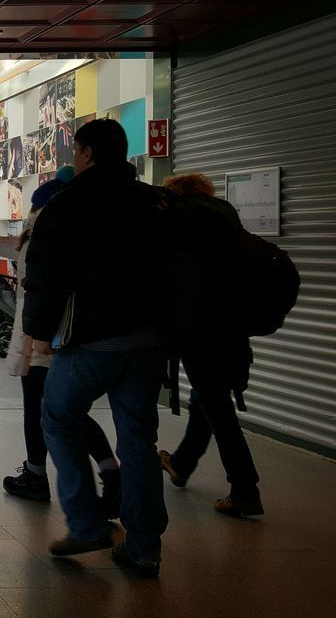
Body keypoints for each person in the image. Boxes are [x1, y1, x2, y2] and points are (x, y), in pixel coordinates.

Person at [23, 118, 169, 578]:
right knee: (140, 441)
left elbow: (47, 276)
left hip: (92, 341)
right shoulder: (154, 202)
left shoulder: (69, 206)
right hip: (148, 340)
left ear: (85, 154)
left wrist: (38, 332)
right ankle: (144, 547)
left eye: (76, 151)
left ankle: (86, 523)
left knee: (58, 416)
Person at [0, 166, 121, 509]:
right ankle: (104, 473)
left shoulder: (50, 228)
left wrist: (41, 339)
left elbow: (32, 266)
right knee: (61, 408)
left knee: (46, 408)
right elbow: (18, 250)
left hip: (45, 334)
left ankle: (46, 479)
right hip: (54, 331)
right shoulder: (71, 227)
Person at [157, 173, 263, 518]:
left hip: (198, 330)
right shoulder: (227, 219)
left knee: (217, 407)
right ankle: (183, 463)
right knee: (207, 396)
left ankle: (245, 487)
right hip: (233, 326)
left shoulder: (177, 222)